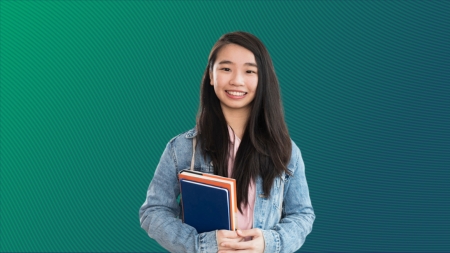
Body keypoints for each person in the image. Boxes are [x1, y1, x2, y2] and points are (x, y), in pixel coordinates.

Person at [139, 31, 315, 253]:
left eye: (250, 71)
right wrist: (200, 244)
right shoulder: (181, 148)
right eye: (226, 68)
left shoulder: (286, 151)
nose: (236, 80)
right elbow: (153, 211)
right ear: (211, 76)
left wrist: (269, 243)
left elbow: (302, 215)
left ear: (263, 80)